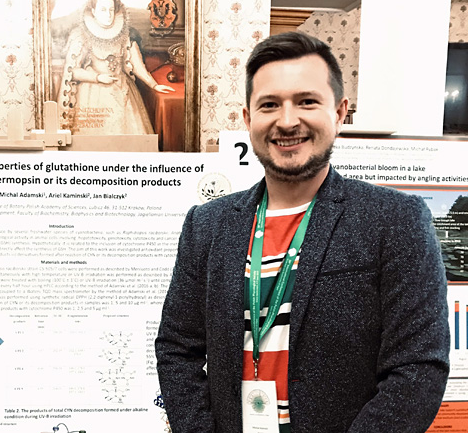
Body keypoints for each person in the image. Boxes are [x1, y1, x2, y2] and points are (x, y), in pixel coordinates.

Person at [155, 31, 450, 433]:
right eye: (270, 105)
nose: (288, 120)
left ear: (340, 112)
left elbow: (418, 366)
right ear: (248, 118)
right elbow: (177, 348)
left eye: (307, 101)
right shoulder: (207, 225)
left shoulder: (394, 219)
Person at [57, 0, 174, 135]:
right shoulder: (81, 35)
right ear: (93, 12)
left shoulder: (124, 34)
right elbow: (72, 71)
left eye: (111, 10)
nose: (108, 15)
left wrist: (154, 85)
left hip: (122, 90)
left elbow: (137, 66)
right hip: (92, 94)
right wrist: (98, 77)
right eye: (103, 10)